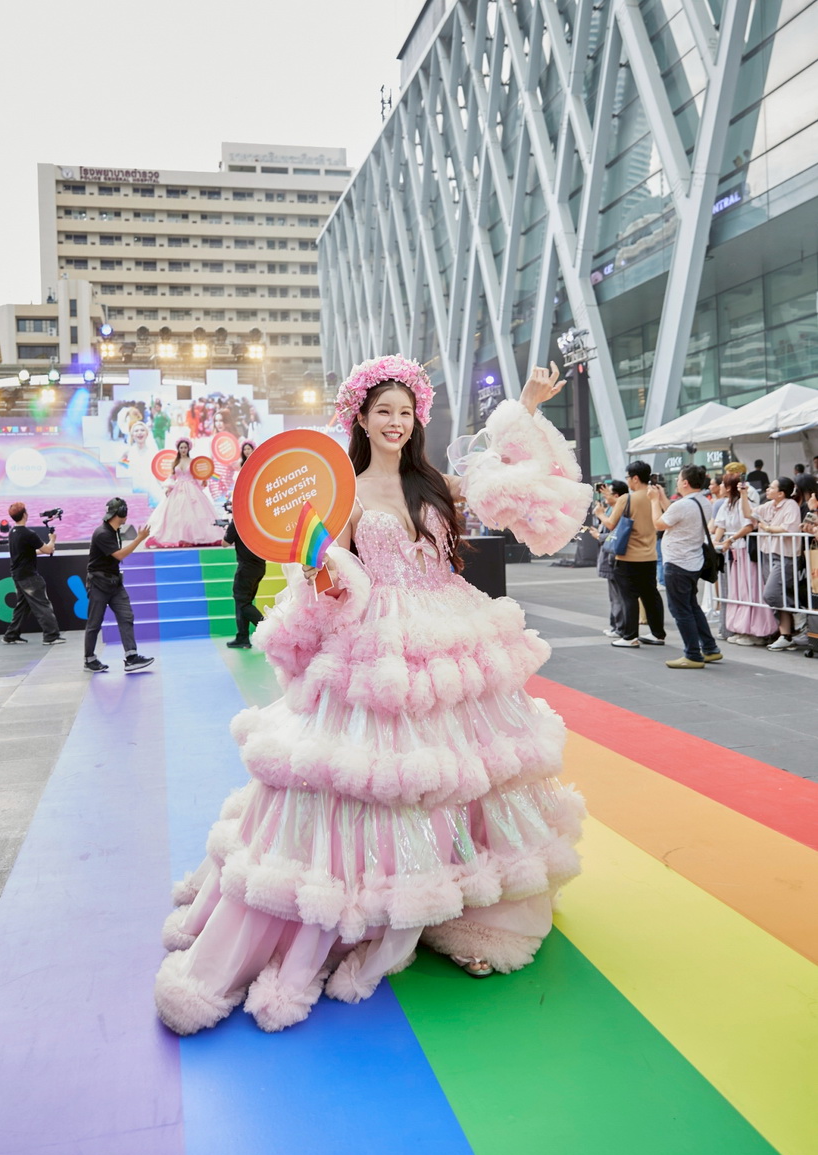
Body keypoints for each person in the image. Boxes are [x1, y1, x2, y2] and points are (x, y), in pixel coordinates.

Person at [153, 358, 591, 1035]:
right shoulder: (341, 492)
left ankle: (468, 904)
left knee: (468, 772)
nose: (395, 422)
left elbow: (498, 479)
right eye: (382, 410)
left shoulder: (434, 484)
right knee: (374, 781)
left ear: (417, 418)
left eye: (405, 411)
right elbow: (324, 579)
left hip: (451, 635)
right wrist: (324, 572)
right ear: (360, 417)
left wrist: (525, 409)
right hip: (376, 647)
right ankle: (380, 898)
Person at [648, 466, 722, 668]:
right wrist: (662, 498)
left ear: (685, 483)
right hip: (692, 561)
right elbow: (673, 513)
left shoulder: (683, 505)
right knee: (692, 606)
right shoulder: (701, 502)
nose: (678, 482)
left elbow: (659, 524)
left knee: (680, 610)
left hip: (677, 562)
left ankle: (692, 655)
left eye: (679, 479)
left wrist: (654, 501)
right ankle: (710, 648)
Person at [595, 459, 667, 649]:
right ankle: (657, 634)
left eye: (628, 477)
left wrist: (600, 513)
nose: (627, 481)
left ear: (635, 478)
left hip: (627, 557)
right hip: (650, 556)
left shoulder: (626, 499)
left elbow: (610, 525)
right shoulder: (655, 497)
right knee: (651, 596)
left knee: (628, 597)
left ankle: (630, 636)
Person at [83, 497, 154, 673]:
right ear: (120, 513)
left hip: (114, 583)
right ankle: (89, 659)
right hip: (99, 583)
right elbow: (120, 555)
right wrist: (139, 539)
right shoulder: (103, 533)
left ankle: (131, 657)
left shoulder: (114, 531)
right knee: (94, 622)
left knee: (126, 616)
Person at [713, 474, 776, 645]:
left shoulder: (742, 503)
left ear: (727, 487)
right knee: (739, 591)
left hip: (746, 552)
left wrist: (729, 539)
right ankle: (743, 628)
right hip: (736, 553)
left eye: (721, 484)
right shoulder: (727, 504)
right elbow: (721, 525)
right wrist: (716, 541)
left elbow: (748, 525)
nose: (718, 486)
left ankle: (756, 631)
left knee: (750, 590)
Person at [743, 477, 804, 651]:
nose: (767, 489)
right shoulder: (768, 506)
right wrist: (742, 495)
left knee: (771, 594)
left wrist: (768, 527)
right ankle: (786, 635)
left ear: (781, 493)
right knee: (777, 595)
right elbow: (749, 514)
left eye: (771, 487)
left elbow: (788, 529)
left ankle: (799, 612)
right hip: (768, 554)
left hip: (785, 555)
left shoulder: (790, 505)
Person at [1, 503, 66, 646]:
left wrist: (47, 547)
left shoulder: (13, 532)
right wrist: (52, 539)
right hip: (29, 576)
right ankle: (51, 636)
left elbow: (27, 552)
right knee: (42, 605)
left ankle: (11, 635)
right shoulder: (28, 534)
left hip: (18, 575)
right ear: (25, 514)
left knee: (22, 606)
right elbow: (48, 550)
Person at [146, 437, 220, 547]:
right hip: (177, 489)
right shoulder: (175, 462)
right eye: (181, 447)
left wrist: (203, 480)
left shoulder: (193, 461)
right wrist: (168, 488)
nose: (183, 449)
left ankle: (195, 537)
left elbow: (197, 475)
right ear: (178, 449)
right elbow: (172, 476)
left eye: (185, 447)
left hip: (192, 489)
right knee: (176, 515)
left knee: (194, 514)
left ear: (188, 448)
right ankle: (179, 537)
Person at [223, 507, 266, 649]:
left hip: (246, 568)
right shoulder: (257, 522)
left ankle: (267, 629)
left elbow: (225, 543)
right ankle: (242, 637)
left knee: (243, 603)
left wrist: (228, 530)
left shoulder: (237, 523)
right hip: (259, 567)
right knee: (244, 601)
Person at [592, 480, 628, 636]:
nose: (605, 495)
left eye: (609, 492)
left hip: (613, 558)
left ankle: (620, 628)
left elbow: (616, 534)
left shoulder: (619, 511)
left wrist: (599, 535)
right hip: (609, 557)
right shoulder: (612, 510)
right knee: (615, 596)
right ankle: (616, 626)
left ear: (618, 496)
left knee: (618, 596)